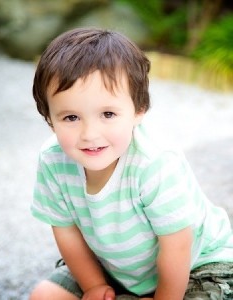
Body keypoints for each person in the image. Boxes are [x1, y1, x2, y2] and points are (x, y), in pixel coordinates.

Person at [30, 28, 233, 300]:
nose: (90, 133)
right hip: (112, 265)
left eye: (108, 114)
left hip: (197, 265)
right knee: (44, 295)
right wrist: (93, 285)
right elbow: (66, 232)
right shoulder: (53, 160)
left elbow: (178, 246)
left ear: (139, 110)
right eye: (71, 118)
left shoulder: (154, 162)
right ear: (49, 118)